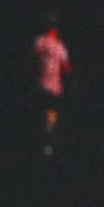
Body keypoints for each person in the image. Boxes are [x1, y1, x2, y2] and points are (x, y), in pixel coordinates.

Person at [34, 18, 72, 156]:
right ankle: (49, 137)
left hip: (40, 84)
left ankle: (41, 138)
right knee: (51, 112)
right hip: (54, 87)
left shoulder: (40, 42)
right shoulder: (60, 46)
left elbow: (33, 58)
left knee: (40, 110)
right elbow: (67, 68)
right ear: (55, 28)